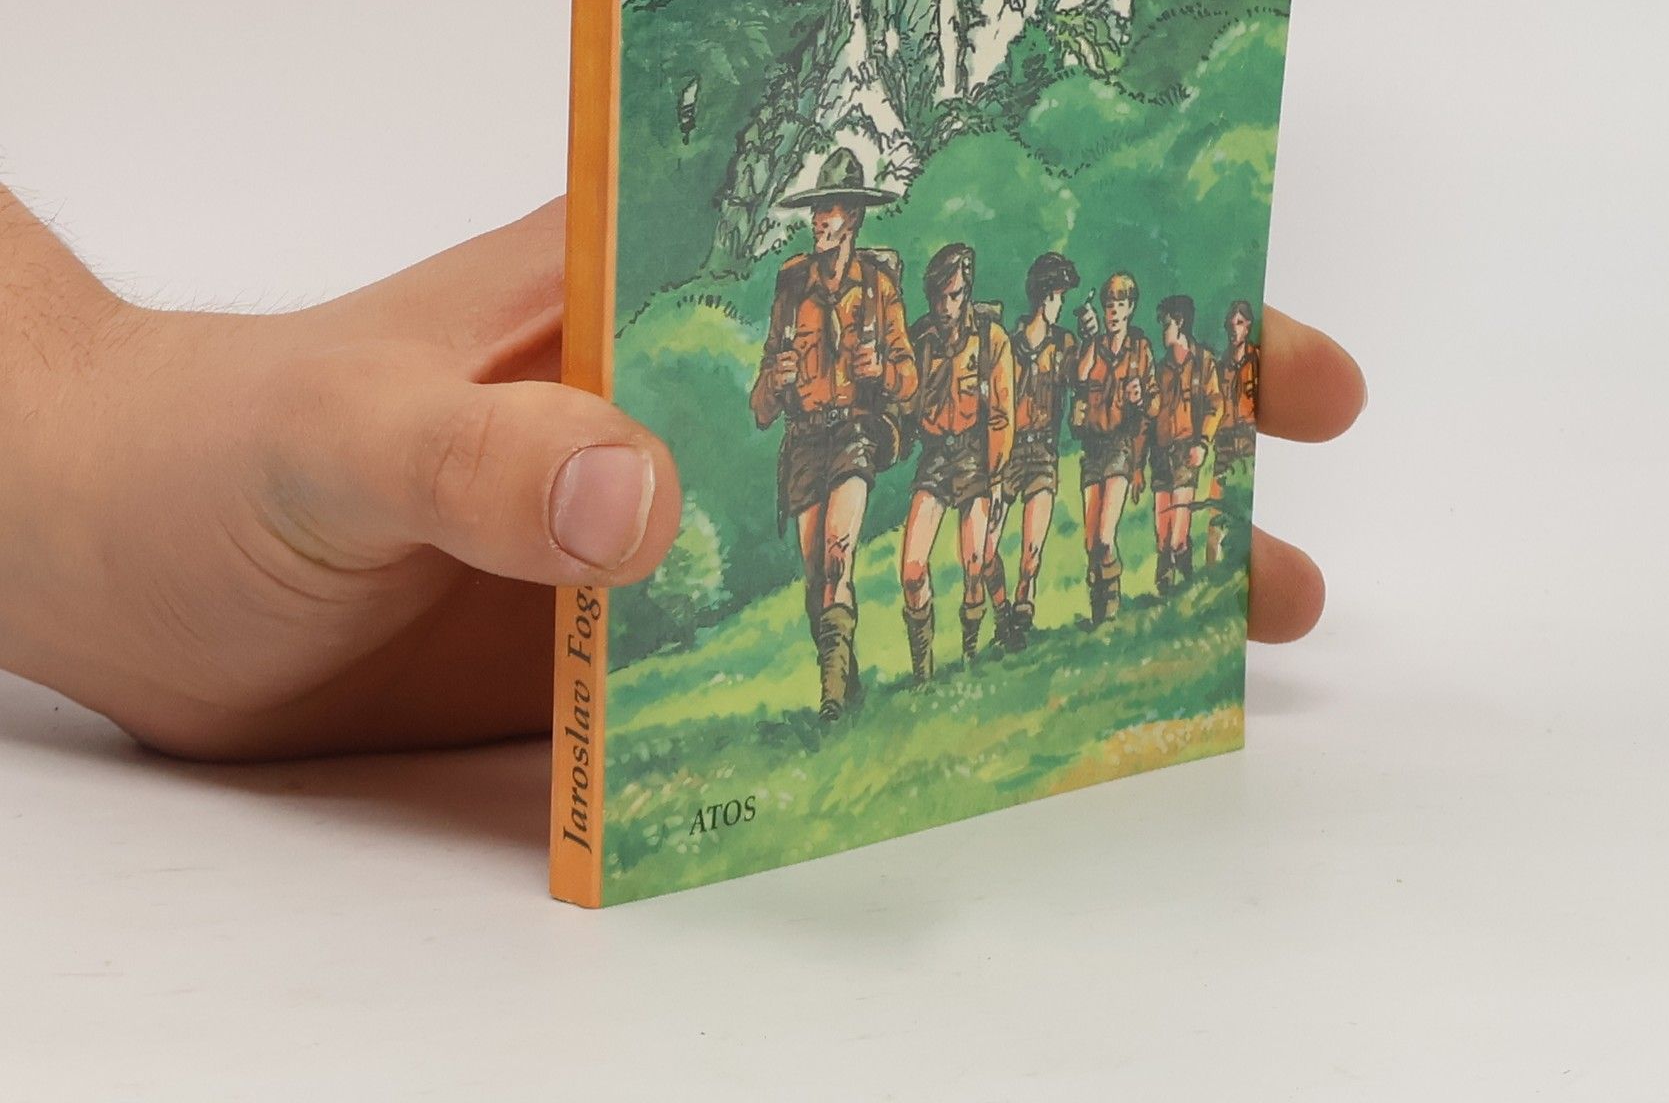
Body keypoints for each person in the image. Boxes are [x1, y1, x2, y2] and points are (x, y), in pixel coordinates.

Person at [0, 181, 1361, 760]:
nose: (834, 232)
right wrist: (75, 437)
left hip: (902, 438)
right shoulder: (818, 294)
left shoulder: (896, 305)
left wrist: (78, 427)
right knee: (841, 570)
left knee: (901, 556)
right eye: (824, 218)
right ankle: (859, 663)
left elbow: (921, 370)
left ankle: (956, 644)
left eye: (844, 218)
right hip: (831, 433)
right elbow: (782, 362)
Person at [748, 148, 918, 722]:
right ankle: (848, 679)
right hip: (803, 441)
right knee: (815, 577)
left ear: (854, 218)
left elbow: (909, 378)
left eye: (832, 208)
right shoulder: (791, 289)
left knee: (839, 554)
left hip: (855, 434)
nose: (820, 219)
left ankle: (830, 701)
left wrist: (881, 371)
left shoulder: (879, 288)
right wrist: (775, 381)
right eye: (817, 208)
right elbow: (760, 408)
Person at [899, 243, 1016, 680]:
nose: (945, 307)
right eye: (939, 297)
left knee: (976, 562)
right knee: (912, 569)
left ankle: (978, 645)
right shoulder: (919, 340)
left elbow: (1002, 414)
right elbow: (902, 401)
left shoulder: (991, 339)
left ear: (967, 292)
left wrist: (997, 477)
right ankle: (922, 672)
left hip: (976, 455)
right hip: (934, 457)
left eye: (955, 295)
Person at [982, 250, 1081, 650]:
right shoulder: (1008, 345)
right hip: (1008, 454)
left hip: (1042, 453)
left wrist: (1091, 340)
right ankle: (1003, 612)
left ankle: (1024, 602)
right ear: (1046, 296)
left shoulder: (1066, 344)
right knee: (986, 549)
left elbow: (1082, 379)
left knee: (1031, 551)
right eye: (1060, 297)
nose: (1061, 305)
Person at [1072, 271, 1160, 627]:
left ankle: (1109, 612)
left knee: (1106, 538)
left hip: (1122, 446)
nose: (1113, 311)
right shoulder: (1092, 348)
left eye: (1120, 304)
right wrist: (1089, 341)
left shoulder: (1140, 349)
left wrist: (1141, 400)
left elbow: (1155, 404)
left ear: (1130, 308)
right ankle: (1099, 607)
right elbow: (1079, 383)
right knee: (1091, 542)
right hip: (1092, 448)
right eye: (1109, 304)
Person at [1148, 295, 1225, 592]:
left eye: (1166, 324)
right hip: (1160, 454)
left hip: (1186, 451)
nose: (1162, 330)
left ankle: (1183, 571)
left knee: (1178, 532)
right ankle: (1167, 585)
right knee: (1162, 533)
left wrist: (1203, 442)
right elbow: (1149, 419)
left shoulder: (1203, 362)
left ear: (1179, 323)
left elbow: (1215, 404)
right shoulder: (1160, 369)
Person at [1209, 300, 1260, 567]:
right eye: (1230, 325)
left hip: (1249, 442)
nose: (1234, 330)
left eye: (1239, 323)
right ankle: (1212, 567)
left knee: (1245, 509)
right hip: (1225, 443)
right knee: (1216, 507)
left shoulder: (1258, 360)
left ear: (1248, 326)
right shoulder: (1221, 367)